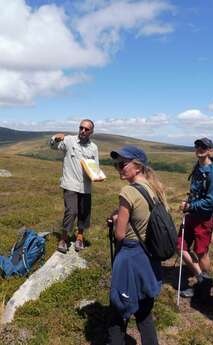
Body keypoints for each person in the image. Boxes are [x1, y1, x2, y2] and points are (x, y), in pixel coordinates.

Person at [107, 145, 164, 345]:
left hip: (130, 256)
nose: (119, 167)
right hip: (149, 256)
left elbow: (120, 234)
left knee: (117, 311)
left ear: (137, 166)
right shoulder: (154, 188)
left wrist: (115, 219)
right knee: (144, 312)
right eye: (117, 165)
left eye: (123, 164)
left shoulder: (128, 191)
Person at [178, 137, 213, 299]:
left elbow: (211, 201)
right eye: (197, 146)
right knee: (180, 247)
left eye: (204, 147)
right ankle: (202, 278)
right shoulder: (198, 167)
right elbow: (196, 192)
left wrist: (190, 206)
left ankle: (205, 285)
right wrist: (189, 203)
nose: (200, 149)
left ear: (211, 150)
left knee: (201, 253)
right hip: (191, 215)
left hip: (204, 218)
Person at [50, 119, 99, 253]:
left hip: (86, 186)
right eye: (81, 128)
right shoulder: (69, 140)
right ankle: (64, 239)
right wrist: (55, 138)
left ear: (91, 132)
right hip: (70, 183)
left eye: (86, 129)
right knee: (71, 211)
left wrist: (97, 175)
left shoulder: (93, 148)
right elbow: (53, 146)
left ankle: (80, 238)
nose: (83, 131)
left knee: (84, 213)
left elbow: (95, 167)